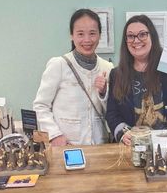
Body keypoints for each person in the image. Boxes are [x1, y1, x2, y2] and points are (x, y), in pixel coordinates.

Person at [106, 15, 167, 144]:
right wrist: (123, 133)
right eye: (130, 36)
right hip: (137, 145)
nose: (136, 40)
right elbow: (112, 113)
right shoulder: (117, 74)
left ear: (152, 36)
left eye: (142, 34)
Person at [33, 9, 113, 146]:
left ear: (100, 35)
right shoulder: (59, 65)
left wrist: (104, 92)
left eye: (92, 33)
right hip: (67, 147)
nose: (87, 40)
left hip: (99, 146)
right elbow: (40, 105)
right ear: (72, 35)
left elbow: (112, 112)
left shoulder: (107, 67)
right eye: (80, 34)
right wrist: (54, 135)